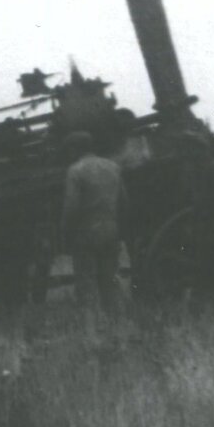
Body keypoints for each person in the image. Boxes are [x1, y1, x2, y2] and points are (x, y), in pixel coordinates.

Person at [60, 130, 126, 327]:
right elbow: (124, 201)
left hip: (86, 232)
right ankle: (117, 324)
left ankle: (92, 330)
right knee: (109, 280)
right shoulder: (113, 167)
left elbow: (72, 206)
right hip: (110, 229)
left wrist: (65, 231)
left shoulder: (75, 170)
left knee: (86, 283)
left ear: (76, 149)